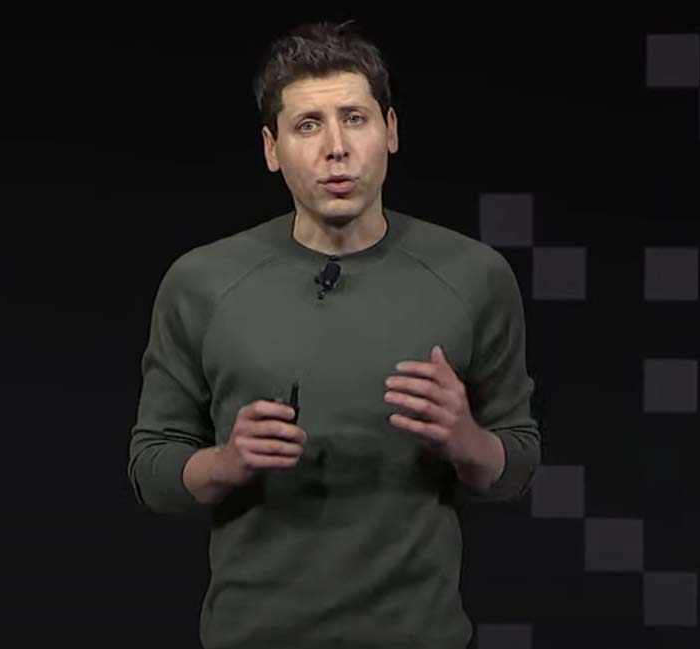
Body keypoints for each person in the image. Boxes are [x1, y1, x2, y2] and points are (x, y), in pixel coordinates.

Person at [127, 20, 541, 649]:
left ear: (391, 130)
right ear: (271, 148)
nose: (336, 148)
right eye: (308, 125)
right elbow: (151, 468)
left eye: (354, 118)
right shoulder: (202, 282)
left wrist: (467, 442)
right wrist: (225, 462)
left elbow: (518, 462)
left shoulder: (474, 275)